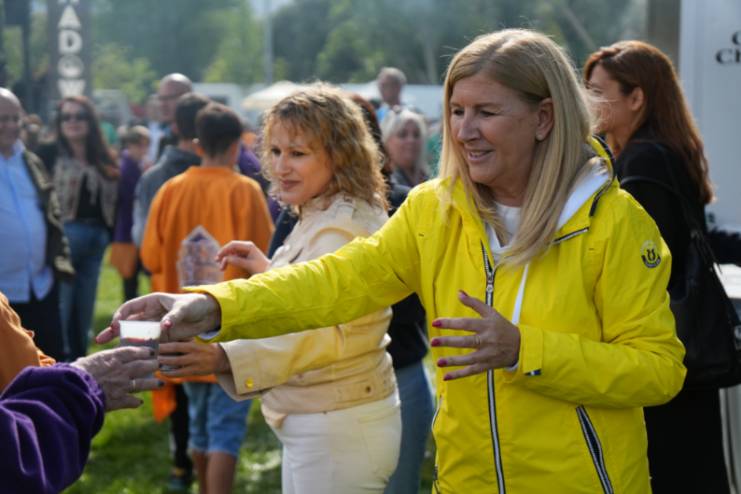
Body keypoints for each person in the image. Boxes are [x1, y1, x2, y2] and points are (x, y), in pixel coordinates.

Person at [104, 30, 687, 493]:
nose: (464, 131)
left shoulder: (614, 222)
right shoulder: (435, 209)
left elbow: (659, 370)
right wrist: (209, 305)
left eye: (485, 112)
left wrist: (524, 351)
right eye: (456, 111)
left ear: (544, 118)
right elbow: (335, 282)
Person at [160, 85, 401, 493]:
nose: (281, 166)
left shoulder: (341, 227)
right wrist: (269, 268)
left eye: (298, 153)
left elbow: (322, 330)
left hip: (337, 426)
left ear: (340, 155)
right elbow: (317, 298)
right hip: (327, 419)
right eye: (274, 151)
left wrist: (223, 357)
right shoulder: (325, 209)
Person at [584, 40, 741, 494]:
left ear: (636, 97)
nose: (587, 101)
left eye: (598, 92)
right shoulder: (661, 151)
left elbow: (645, 263)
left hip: (659, 346)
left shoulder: (642, 159)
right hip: (680, 346)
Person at [142, 103, 273, 494]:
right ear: (236, 147)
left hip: (180, 331)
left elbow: (151, 257)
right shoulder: (246, 191)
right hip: (229, 335)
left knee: (198, 427)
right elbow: (265, 260)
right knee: (225, 431)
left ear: (198, 144)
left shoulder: (171, 190)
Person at [132, 92, 209, 491]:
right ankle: (213, 463)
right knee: (213, 383)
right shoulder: (235, 176)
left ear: (175, 125)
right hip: (218, 302)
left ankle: (182, 465)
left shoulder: (155, 179)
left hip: (165, 298)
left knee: (176, 378)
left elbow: (143, 245)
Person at [37, 95, 117, 362]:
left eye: (79, 116)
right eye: (66, 117)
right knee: (62, 306)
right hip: (64, 236)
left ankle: (80, 362)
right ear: (59, 123)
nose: (73, 122)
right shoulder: (48, 153)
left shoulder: (102, 156)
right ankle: (59, 363)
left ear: (90, 121)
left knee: (85, 308)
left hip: (96, 238)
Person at [0, 88, 73, 362]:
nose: (10, 125)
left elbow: (51, 214)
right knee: (12, 373)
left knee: (53, 365)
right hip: (4, 297)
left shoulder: (31, 162)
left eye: (14, 118)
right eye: (2, 119)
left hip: (41, 287)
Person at [113, 126, 150, 301]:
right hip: (127, 230)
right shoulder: (127, 167)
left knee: (133, 278)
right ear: (131, 145)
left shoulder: (134, 165)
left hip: (131, 229)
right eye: (141, 145)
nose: (144, 150)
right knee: (130, 278)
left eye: (146, 145)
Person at [381, 108, 429, 187]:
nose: (411, 140)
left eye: (416, 134)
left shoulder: (429, 179)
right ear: (387, 140)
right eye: (402, 134)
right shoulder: (385, 184)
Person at [154, 73, 193, 160]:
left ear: (186, 97)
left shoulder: (203, 137)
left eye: (168, 98)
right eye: (160, 98)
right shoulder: (165, 140)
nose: (162, 104)